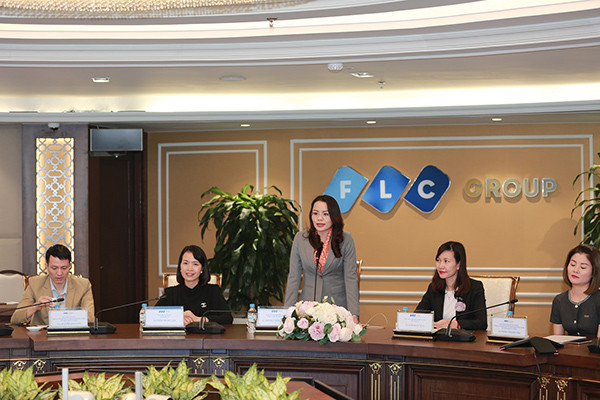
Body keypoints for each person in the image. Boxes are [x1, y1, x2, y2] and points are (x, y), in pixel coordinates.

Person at [284, 194, 359, 317]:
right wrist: (287, 313)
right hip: (307, 311)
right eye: (315, 213)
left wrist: (354, 314)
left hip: (336, 310)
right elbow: (293, 277)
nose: (319, 218)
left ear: (334, 216)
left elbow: (350, 278)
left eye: (325, 214)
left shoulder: (346, 239)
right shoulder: (300, 239)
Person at [11, 244, 95, 326]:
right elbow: (15, 319)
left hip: (72, 334)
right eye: (54, 268)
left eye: (64, 268)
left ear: (70, 266)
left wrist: (63, 319)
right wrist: (35, 307)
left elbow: (90, 319)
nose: (59, 273)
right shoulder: (35, 284)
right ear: (46, 266)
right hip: (43, 334)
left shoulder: (83, 285)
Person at [415, 241, 487, 330]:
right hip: (437, 338)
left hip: (462, 338)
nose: (440, 266)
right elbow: (419, 315)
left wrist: (456, 324)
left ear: (458, 265)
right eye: (438, 260)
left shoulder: (474, 287)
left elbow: (481, 322)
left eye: (446, 261)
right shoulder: (433, 288)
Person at [157, 245, 232, 325]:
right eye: (185, 263)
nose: (190, 268)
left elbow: (227, 318)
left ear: (202, 268)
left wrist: (199, 319)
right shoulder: (171, 293)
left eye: (195, 264)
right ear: (180, 267)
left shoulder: (213, 291)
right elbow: (153, 316)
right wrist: (178, 318)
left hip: (205, 333)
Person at [550, 244, 600, 337]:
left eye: (583, 267)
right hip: (567, 347)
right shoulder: (559, 300)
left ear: (594, 272)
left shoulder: (598, 300)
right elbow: (558, 339)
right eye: (572, 264)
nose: (575, 270)